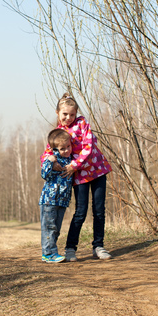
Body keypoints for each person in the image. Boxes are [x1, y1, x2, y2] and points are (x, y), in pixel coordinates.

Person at [42, 93, 112, 261]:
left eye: (72, 114)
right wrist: (51, 162)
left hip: (97, 170)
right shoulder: (57, 133)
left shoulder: (82, 123)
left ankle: (98, 246)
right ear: (57, 112)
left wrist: (74, 164)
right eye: (65, 114)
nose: (69, 117)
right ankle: (71, 248)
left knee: (99, 210)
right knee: (80, 212)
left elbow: (89, 146)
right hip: (78, 176)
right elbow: (47, 154)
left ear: (76, 114)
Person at [39, 128, 73, 263]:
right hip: (49, 200)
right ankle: (48, 254)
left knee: (56, 229)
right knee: (49, 227)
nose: (66, 150)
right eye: (62, 148)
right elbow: (44, 175)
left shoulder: (70, 160)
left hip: (62, 201)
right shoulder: (53, 160)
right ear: (55, 149)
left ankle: (52, 252)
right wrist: (50, 162)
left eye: (68, 146)